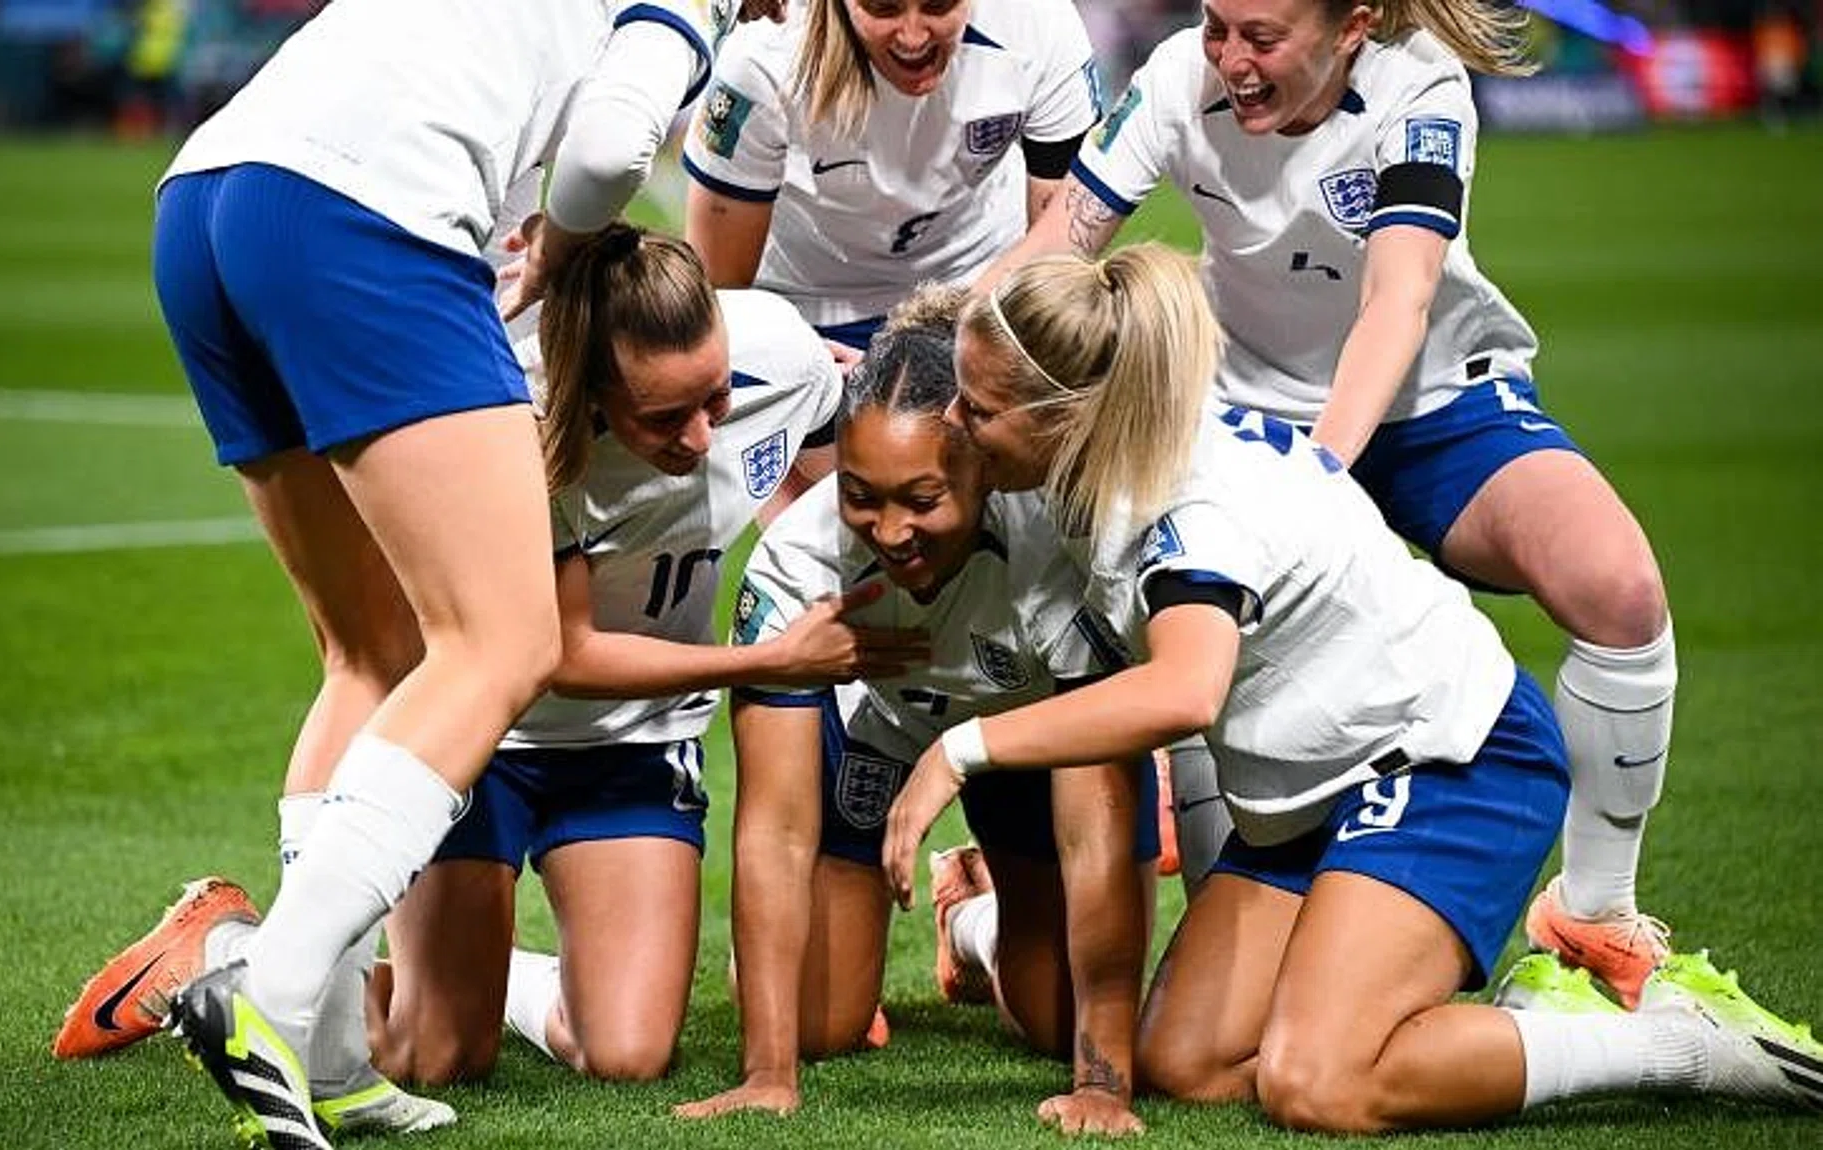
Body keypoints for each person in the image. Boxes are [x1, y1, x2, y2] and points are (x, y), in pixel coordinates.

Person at [879, 245, 1823, 1132]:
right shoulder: (1114, 456)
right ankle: (1419, 1015)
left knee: (1317, 1080)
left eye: (977, 409)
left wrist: (959, 751)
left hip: (1449, 760)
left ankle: (1673, 1047)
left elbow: (1184, 694)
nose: (953, 423)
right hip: (1313, 794)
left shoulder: (1188, 513)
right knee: (1188, 1060)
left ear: (1064, 416)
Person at [56, 2, 757, 1145]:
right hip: (366, 211)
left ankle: (324, 1050)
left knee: (370, 653)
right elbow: (605, 153)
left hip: (209, 200)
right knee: (505, 642)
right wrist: (565, 246)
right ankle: (270, 988)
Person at [983, 0, 1681, 1006]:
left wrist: (1314, 482)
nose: (1231, 59)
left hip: (1428, 401)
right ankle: (1076, 916)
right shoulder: (1177, 77)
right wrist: (943, 345)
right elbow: (1061, 242)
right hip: (1241, 412)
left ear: (1351, 26)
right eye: (1217, 27)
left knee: (1618, 586)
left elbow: (1397, 301)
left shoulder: (1419, 84)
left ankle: (1595, 913)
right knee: (1194, 641)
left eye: (1261, 38)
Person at [364, 223, 923, 1086]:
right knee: (433, 1056)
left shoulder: (780, 353)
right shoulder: (515, 426)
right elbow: (563, 654)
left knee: (627, 1055)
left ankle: (487, 975)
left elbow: (824, 495)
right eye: (663, 418)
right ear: (589, 391)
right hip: (482, 734)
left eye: (716, 399)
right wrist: (768, 659)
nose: (700, 438)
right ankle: (249, 956)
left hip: (634, 741)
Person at [675, 296, 1153, 1134]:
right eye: (860, 495)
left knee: (1059, 1021)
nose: (890, 531)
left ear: (982, 470)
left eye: (922, 498)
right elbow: (774, 831)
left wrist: (1101, 1084)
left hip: (1024, 738)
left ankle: (971, 919)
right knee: (817, 1024)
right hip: (878, 730)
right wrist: (767, 1073)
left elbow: (1093, 832)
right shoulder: (795, 566)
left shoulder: (1061, 543)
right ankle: (947, 913)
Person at [682, 0, 1104, 352]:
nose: (913, 37)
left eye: (938, 5)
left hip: (980, 284)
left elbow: (1058, 250)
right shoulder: (763, 56)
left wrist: (944, 338)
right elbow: (721, 293)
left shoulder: (1038, 22)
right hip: (809, 306)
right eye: (884, 8)